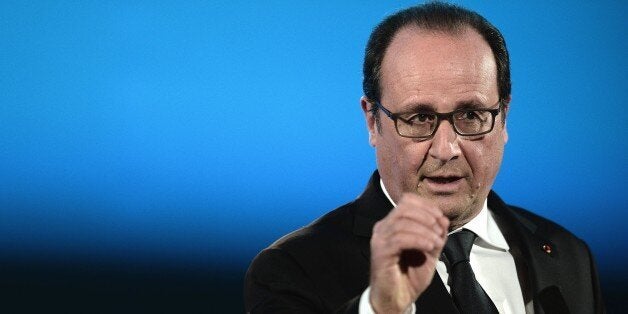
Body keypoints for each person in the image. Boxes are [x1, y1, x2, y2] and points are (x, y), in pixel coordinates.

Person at [244, 3, 604, 313]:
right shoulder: (293, 270)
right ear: (372, 122)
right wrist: (383, 307)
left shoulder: (568, 255)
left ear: (504, 117)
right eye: (419, 119)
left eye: (470, 116)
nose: (446, 148)